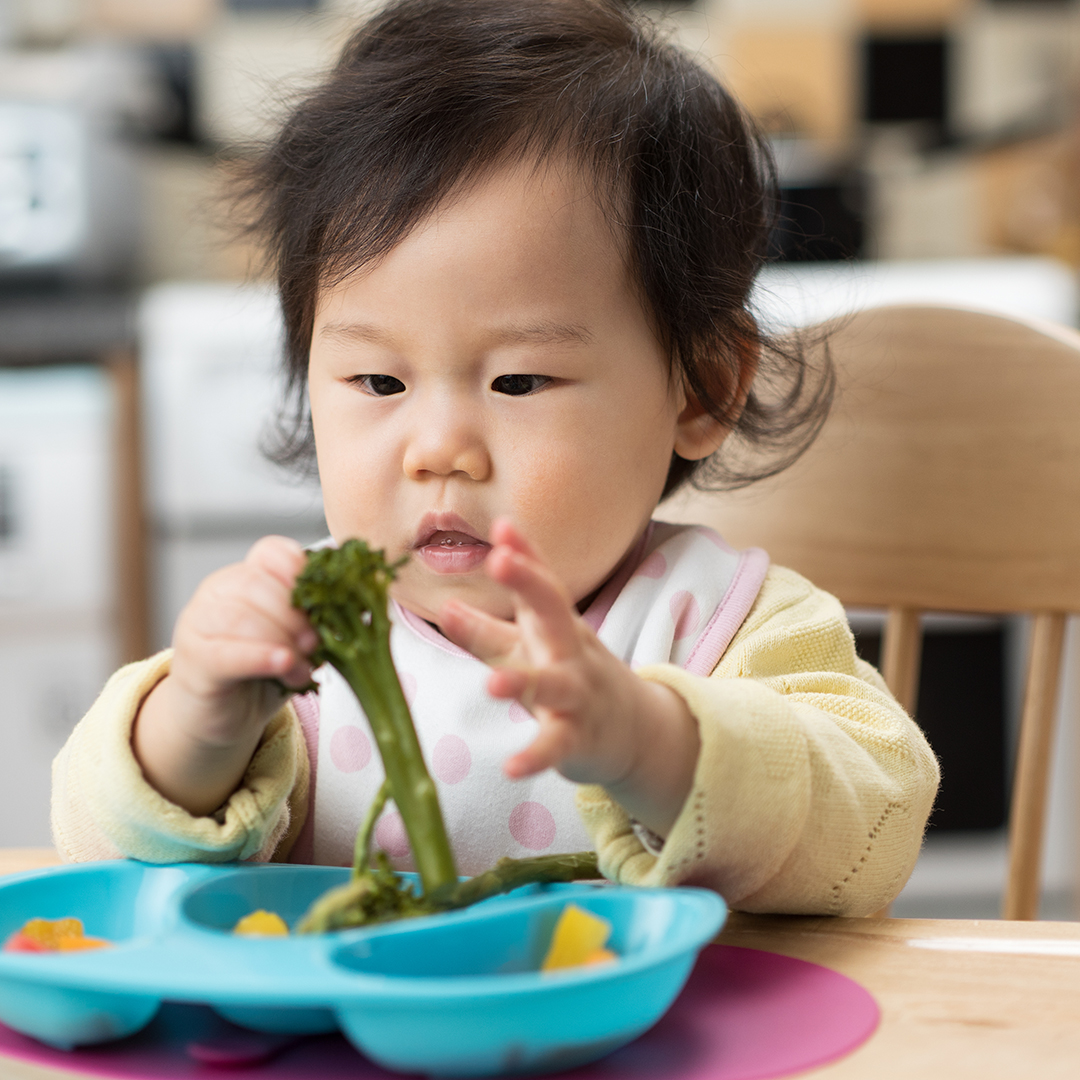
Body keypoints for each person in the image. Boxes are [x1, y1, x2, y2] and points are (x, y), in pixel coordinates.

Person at [53, 0, 938, 916]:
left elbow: (877, 824)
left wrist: (653, 743)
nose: (440, 450)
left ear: (701, 387)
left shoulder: (726, 624)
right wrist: (195, 729)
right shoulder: (292, 649)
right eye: (377, 382)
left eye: (518, 382)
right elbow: (95, 847)